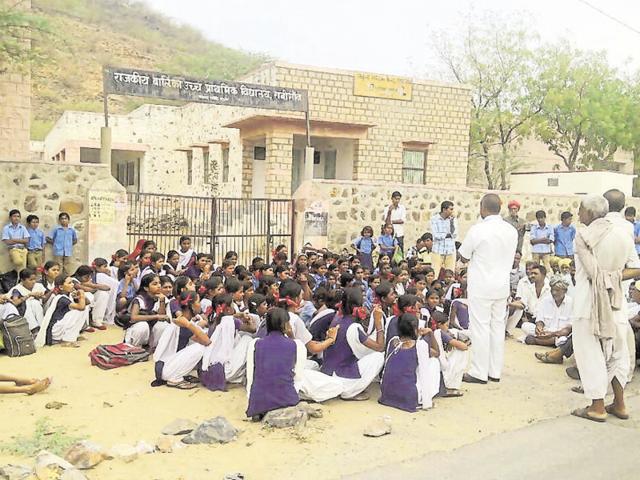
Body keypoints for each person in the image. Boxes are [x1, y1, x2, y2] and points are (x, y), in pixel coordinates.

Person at [570, 195, 637, 422]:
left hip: (588, 304)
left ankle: (597, 407)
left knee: (591, 354)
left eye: (581, 210)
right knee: (618, 353)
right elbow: (636, 268)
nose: (579, 215)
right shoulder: (624, 234)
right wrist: (614, 277)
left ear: (589, 213)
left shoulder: (583, 235)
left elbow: (592, 273)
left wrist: (605, 278)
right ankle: (620, 404)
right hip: (616, 303)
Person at [459, 193, 517, 384]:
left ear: (482, 207)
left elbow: (464, 256)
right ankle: (494, 371)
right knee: (497, 327)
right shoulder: (511, 230)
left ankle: (478, 372)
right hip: (502, 286)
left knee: (480, 327)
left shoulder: (478, 229)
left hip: (482, 286)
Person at [320, 287, 385, 400]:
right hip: (340, 375)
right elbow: (379, 347)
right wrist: (378, 322)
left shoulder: (336, 319)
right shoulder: (353, 327)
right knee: (379, 357)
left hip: (327, 371)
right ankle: (350, 391)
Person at [245, 307, 306, 419]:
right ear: (286, 325)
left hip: (259, 401)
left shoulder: (255, 344)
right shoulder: (297, 345)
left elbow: (250, 377)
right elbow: (298, 378)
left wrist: (252, 399)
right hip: (287, 398)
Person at [379, 313, 440, 412]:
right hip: (408, 397)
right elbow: (436, 353)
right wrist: (430, 333)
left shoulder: (392, 342)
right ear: (415, 329)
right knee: (434, 362)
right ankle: (423, 399)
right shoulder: (420, 345)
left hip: (386, 395)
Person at [153, 291, 211, 390]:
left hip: (164, 367)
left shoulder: (183, 320)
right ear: (191, 306)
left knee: (199, 345)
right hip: (166, 369)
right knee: (201, 348)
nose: (200, 305)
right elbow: (207, 341)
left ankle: (180, 374)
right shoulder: (183, 324)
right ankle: (175, 379)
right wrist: (189, 325)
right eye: (198, 302)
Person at [36, 275, 90, 348]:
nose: (72, 284)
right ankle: (68, 339)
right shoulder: (61, 298)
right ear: (61, 287)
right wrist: (82, 295)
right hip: (55, 330)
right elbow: (81, 307)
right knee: (78, 311)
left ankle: (73, 335)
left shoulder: (70, 295)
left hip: (61, 327)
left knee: (84, 308)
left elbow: (87, 303)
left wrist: (80, 296)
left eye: (72, 282)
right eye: (69, 283)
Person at [520, 275, 572, 347]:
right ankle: (549, 342)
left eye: (557, 290)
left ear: (565, 291)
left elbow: (568, 329)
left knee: (563, 340)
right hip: (545, 332)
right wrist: (539, 327)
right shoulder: (545, 300)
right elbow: (540, 319)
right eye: (552, 290)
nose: (554, 293)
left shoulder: (571, 303)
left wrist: (552, 334)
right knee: (525, 326)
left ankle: (538, 341)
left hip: (559, 334)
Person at [125, 274, 169, 348]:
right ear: (146, 288)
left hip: (151, 333)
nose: (159, 286)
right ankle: (134, 348)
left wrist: (162, 301)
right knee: (143, 325)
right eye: (155, 284)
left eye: (159, 283)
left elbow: (162, 316)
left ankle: (153, 347)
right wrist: (156, 316)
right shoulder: (140, 299)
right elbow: (133, 317)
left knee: (162, 325)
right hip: (137, 332)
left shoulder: (161, 297)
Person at [507, 264, 550, 336]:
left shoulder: (550, 288)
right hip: (532, 320)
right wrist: (509, 304)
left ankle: (541, 336)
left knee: (548, 329)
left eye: (535, 273)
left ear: (543, 275)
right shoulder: (529, 288)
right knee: (524, 326)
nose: (532, 275)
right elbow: (522, 303)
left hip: (546, 321)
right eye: (531, 273)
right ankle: (544, 336)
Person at [430, 201, 458, 278]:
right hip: (438, 250)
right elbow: (436, 235)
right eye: (451, 209)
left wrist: (452, 222)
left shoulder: (453, 219)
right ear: (444, 210)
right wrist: (447, 235)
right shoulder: (434, 219)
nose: (452, 211)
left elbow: (454, 234)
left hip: (450, 250)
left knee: (450, 274)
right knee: (435, 274)